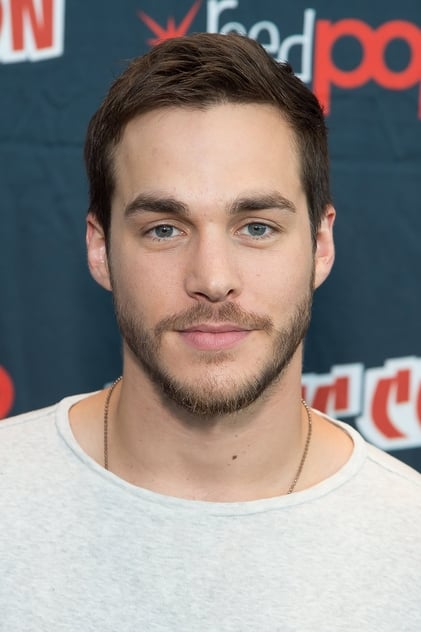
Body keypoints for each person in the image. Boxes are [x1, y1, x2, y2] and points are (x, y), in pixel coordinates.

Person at [0, 33, 420, 631]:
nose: (213, 280)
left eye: (256, 227)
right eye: (165, 229)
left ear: (321, 245)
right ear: (99, 249)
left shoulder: (408, 543)